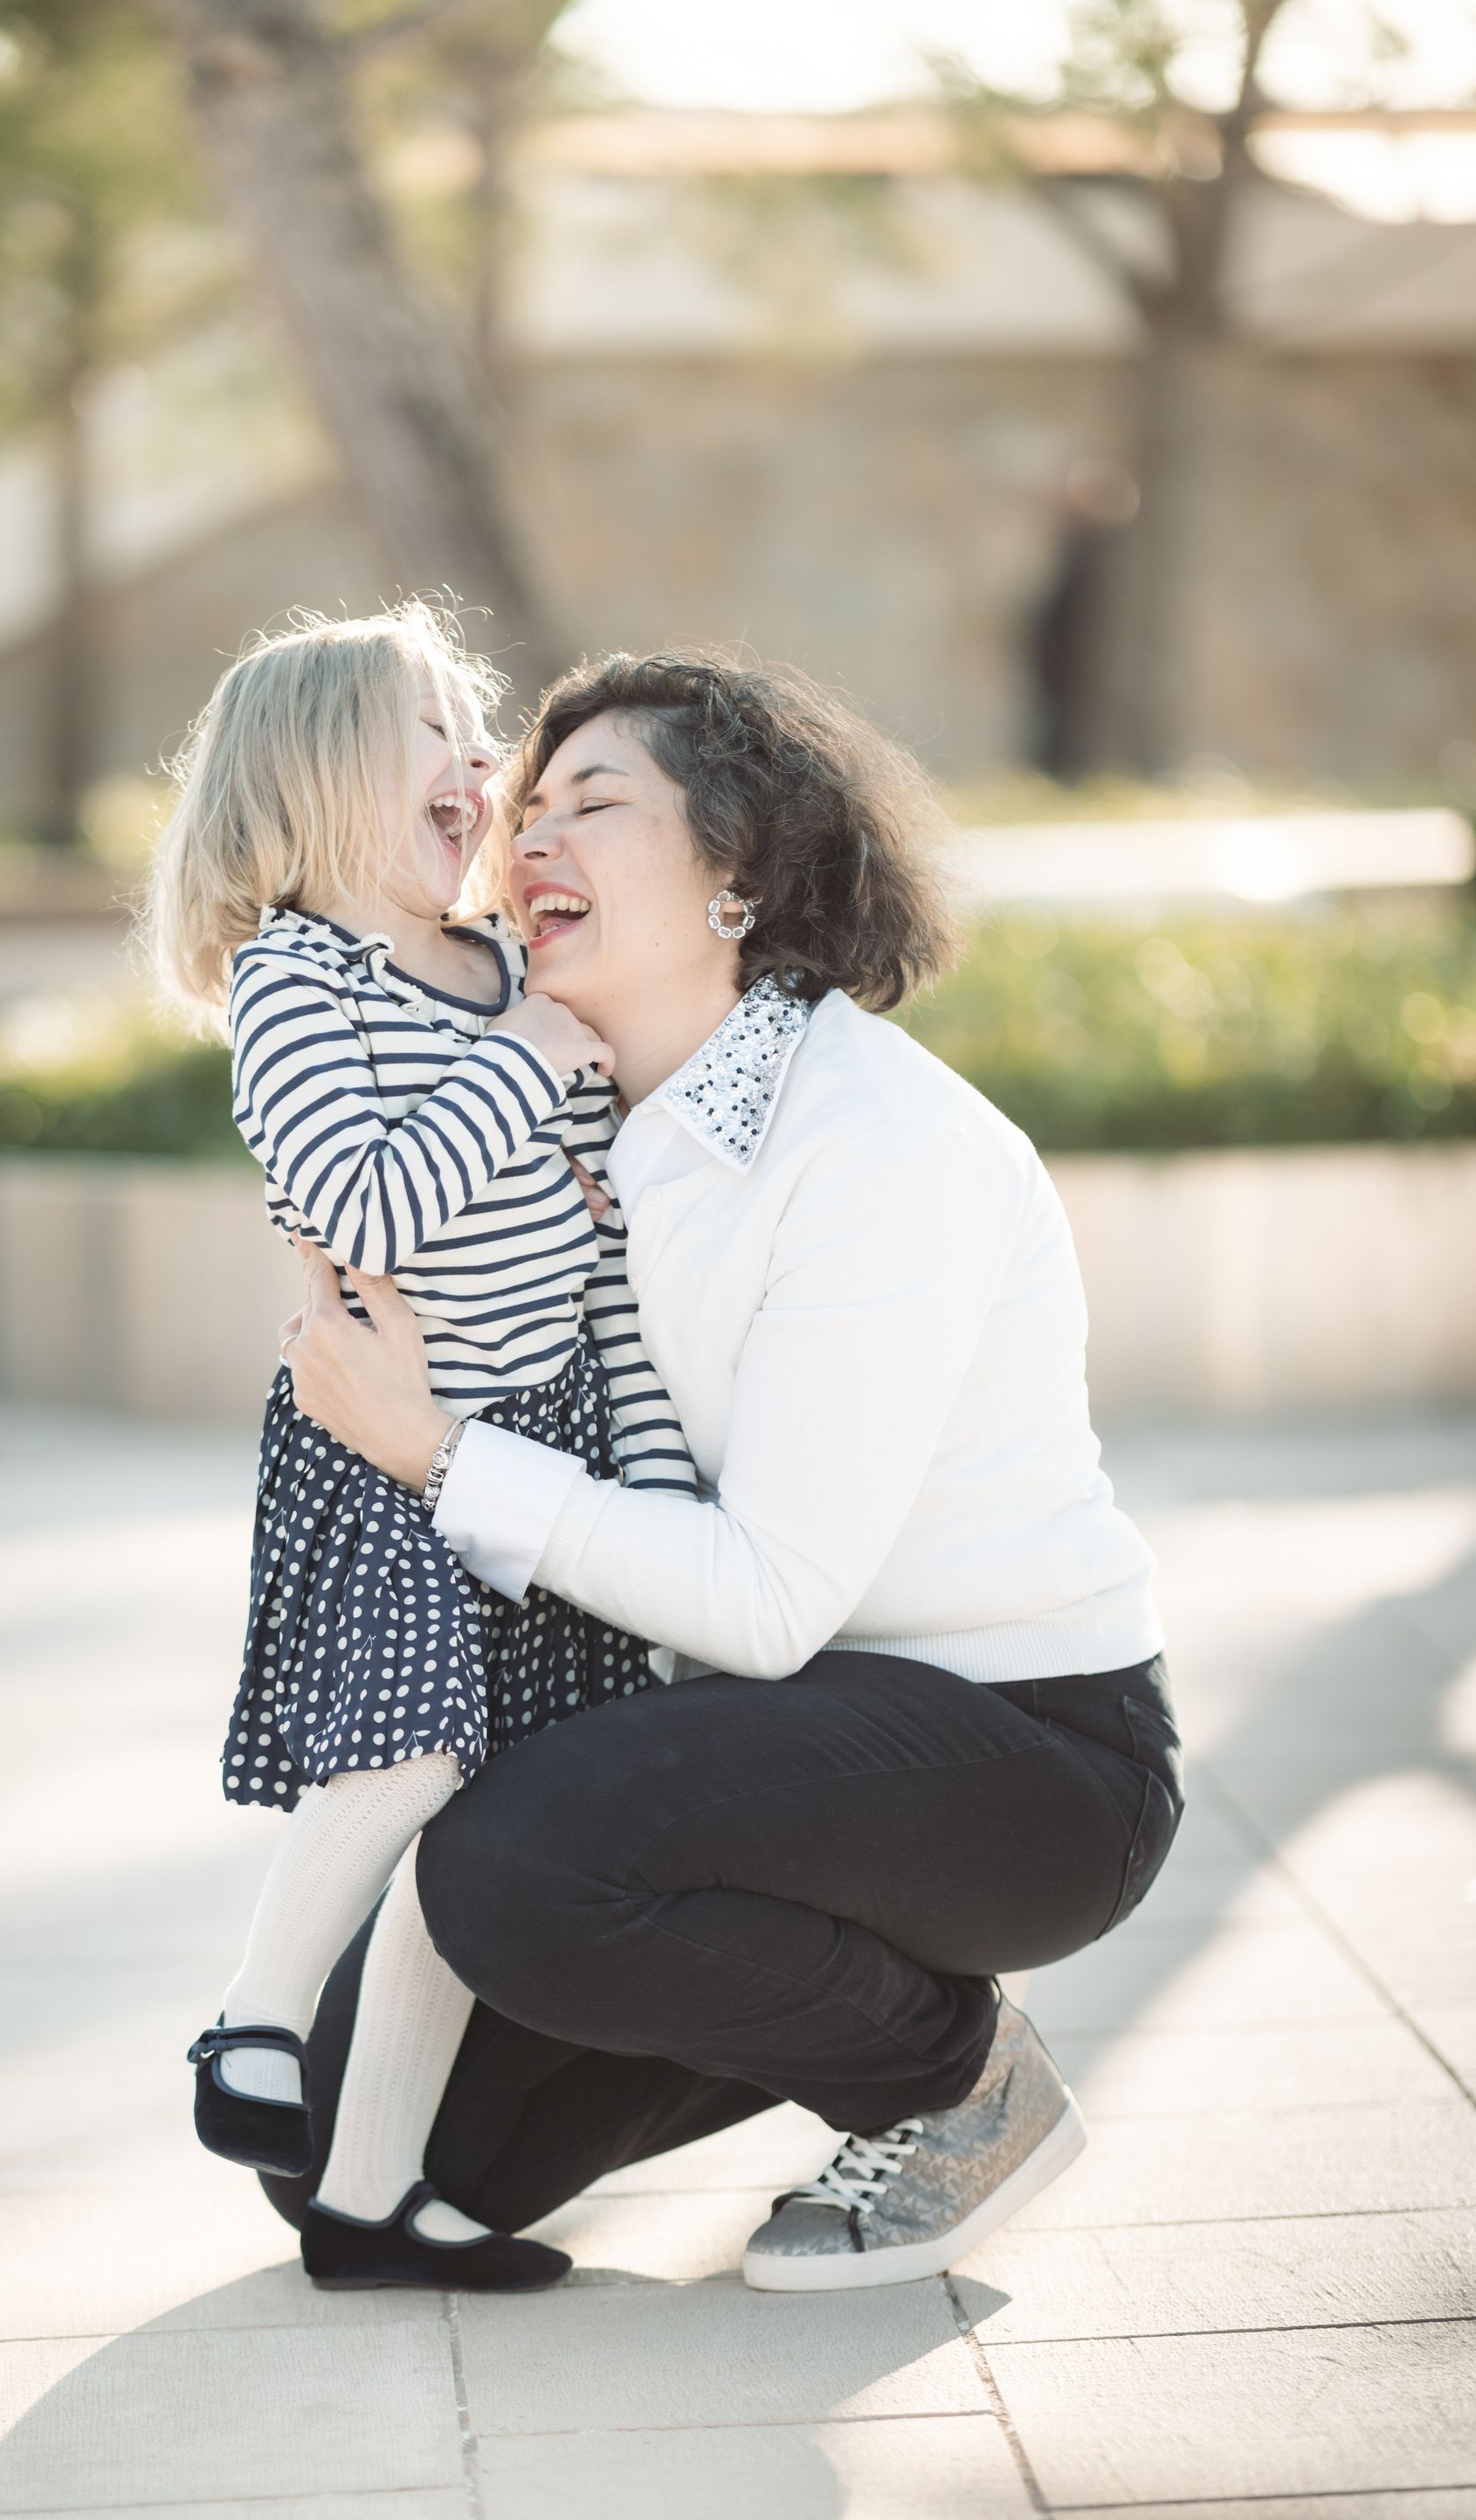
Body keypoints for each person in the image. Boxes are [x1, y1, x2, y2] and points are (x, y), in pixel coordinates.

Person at [273, 649, 1183, 2293]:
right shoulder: (567, 1128)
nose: (525, 834)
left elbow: (765, 1603)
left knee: (516, 1867)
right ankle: (817, 1972)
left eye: (595, 804)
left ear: (739, 877)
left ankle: (953, 2074)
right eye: (523, 805)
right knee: (369, 2139)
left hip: (1022, 1752)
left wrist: (430, 1446)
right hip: (757, 1758)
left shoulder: (869, 1144)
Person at [146, 609, 696, 2293]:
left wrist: (659, 1487)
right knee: (407, 1757)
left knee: (479, 1839)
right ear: (310, 778)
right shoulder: (294, 983)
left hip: (542, 1439)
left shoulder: (517, 971)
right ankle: (251, 2028)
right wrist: (526, 1062)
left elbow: (605, 1261)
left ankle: (371, 2192)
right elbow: (366, 1196)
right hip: (381, 1448)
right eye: (430, 731)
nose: (480, 763)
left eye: (480, 727)